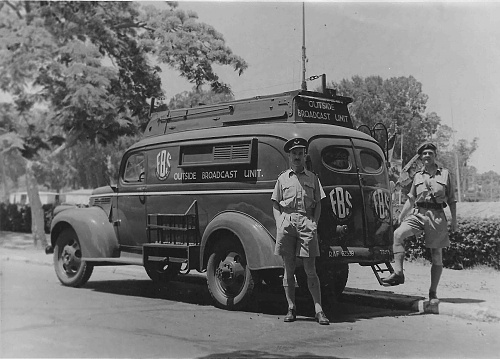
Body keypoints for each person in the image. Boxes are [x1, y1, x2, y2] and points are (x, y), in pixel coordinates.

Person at [382, 142, 457, 303]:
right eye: (424, 154)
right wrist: (401, 217)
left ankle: (433, 292)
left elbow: (452, 200)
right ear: (421, 157)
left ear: (435, 155)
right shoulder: (417, 176)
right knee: (398, 234)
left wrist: (454, 221)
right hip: (418, 214)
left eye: (430, 153)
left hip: (436, 216)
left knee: (436, 255)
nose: (427, 156)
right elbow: (411, 199)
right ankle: (398, 273)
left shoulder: (445, 174)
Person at [271, 137, 329, 325]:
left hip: (306, 223)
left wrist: (314, 223)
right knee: (288, 268)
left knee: (310, 269)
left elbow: (319, 203)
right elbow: (275, 202)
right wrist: (280, 221)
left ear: (305, 156)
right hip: (287, 223)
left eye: (300, 153)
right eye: (294, 153)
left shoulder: (313, 178)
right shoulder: (282, 178)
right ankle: (291, 308)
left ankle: (319, 310)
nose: (297, 156)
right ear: (289, 156)